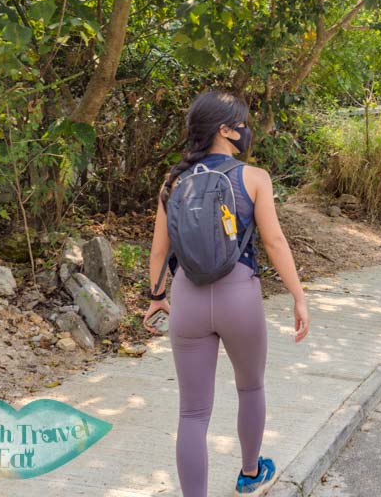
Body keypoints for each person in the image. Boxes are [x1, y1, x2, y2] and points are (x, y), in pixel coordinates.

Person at [143, 90, 309, 496]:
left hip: (187, 300)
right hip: (240, 298)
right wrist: (298, 297)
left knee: (193, 413)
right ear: (224, 129)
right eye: (242, 123)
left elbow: (160, 249)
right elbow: (274, 241)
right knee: (250, 387)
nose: (246, 130)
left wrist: (156, 296)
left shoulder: (173, 180)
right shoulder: (254, 178)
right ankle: (250, 473)